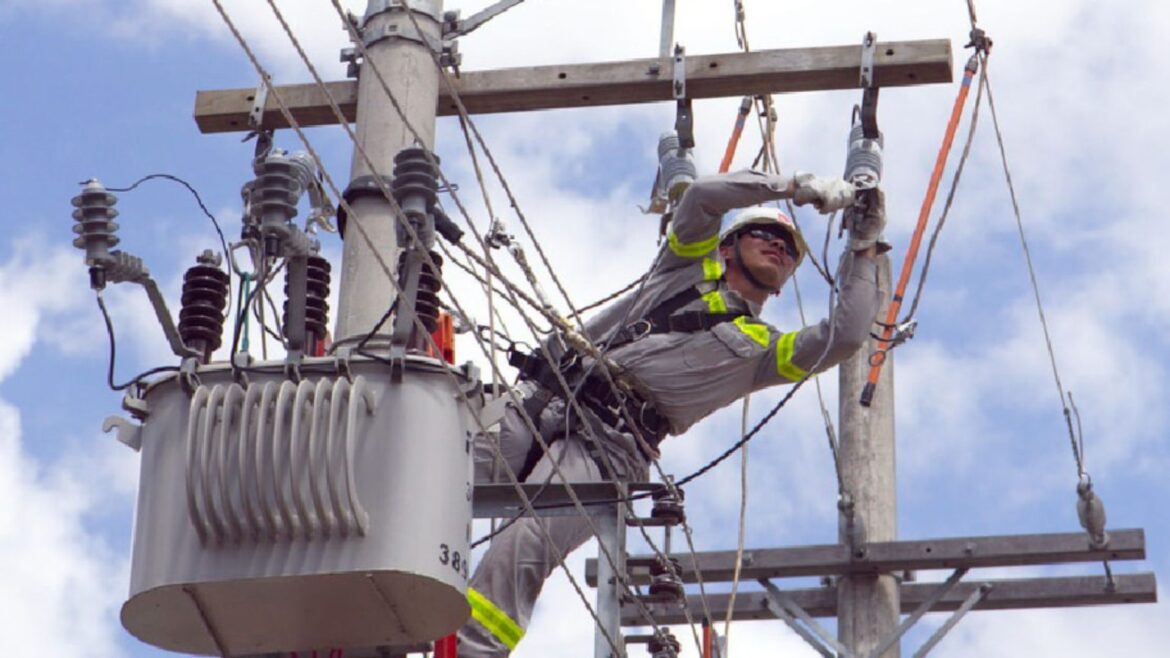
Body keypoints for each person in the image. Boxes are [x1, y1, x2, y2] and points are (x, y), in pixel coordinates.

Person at [459, 168, 887, 657]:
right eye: (764, 234)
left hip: (608, 448)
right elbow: (704, 196)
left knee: (524, 547)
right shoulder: (681, 268)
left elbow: (848, 334)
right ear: (726, 247)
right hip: (545, 401)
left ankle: (471, 653)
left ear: (786, 280)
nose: (778, 247)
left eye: (789, 250)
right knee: (432, 490)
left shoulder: (766, 352)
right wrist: (792, 187)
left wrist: (865, 246)